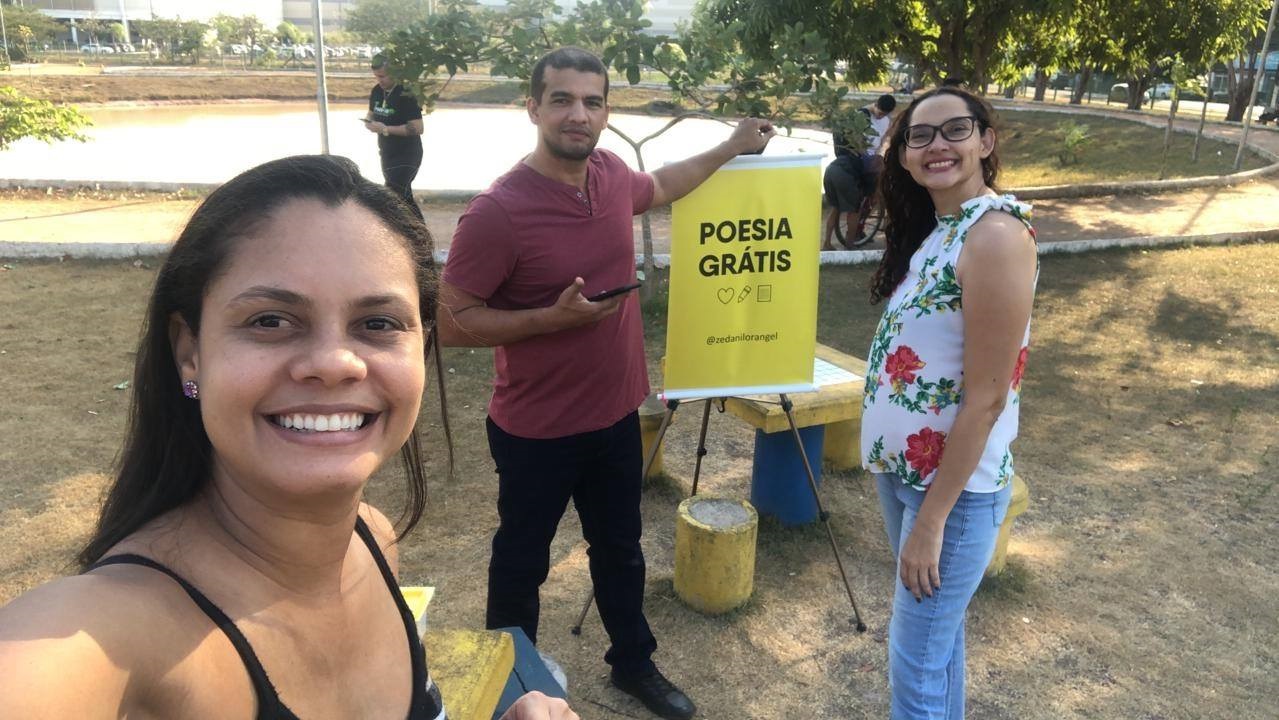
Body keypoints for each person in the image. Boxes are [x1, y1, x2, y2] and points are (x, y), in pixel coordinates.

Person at [0, 155, 576, 720]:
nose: (334, 363)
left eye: (378, 323)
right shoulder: (101, 641)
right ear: (189, 352)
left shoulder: (371, 543)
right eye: (270, 320)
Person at [437, 47, 774, 720]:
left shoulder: (611, 175)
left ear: (606, 112)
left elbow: (667, 182)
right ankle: (514, 687)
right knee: (521, 562)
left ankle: (633, 665)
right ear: (531, 108)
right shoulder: (497, 212)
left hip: (616, 414)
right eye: (560, 99)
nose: (577, 114)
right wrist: (548, 320)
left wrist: (733, 145)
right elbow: (450, 323)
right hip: (536, 430)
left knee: (619, 551)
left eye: (591, 101)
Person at [859, 87, 1037, 718]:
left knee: (914, 668)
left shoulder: (994, 237)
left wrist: (932, 521)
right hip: (909, 475)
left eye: (955, 129)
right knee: (937, 645)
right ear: (903, 156)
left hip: (952, 494)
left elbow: (987, 400)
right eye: (921, 135)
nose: (938, 145)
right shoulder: (943, 232)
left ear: (985, 142)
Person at [822, 93, 896, 250]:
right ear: (875, 104)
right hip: (855, 168)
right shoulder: (860, 116)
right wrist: (871, 160)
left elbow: (883, 141)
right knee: (855, 209)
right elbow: (856, 143)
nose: (880, 115)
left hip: (835, 168)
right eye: (880, 111)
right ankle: (850, 245)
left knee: (836, 207)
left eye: (884, 114)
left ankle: (827, 243)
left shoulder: (885, 122)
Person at [364, 54, 425, 220]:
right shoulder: (377, 91)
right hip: (386, 153)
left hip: (407, 154)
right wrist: (369, 123)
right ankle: (416, 234)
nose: (379, 80)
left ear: (395, 74)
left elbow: (418, 128)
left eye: (383, 76)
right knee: (402, 196)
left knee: (395, 193)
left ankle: (413, 233)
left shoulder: (406, 94)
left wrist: (385, 129)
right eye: (376, 76)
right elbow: (370, 115)